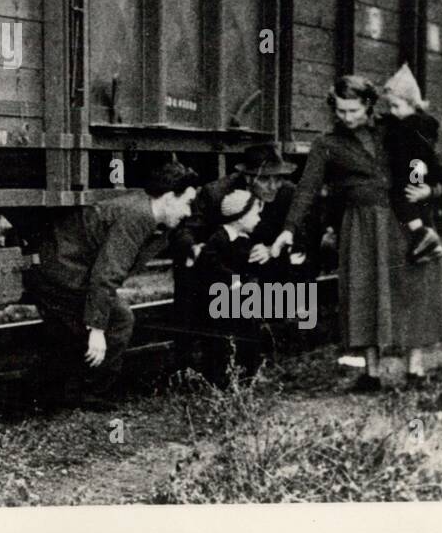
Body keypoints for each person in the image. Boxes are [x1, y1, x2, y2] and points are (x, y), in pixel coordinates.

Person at [271, 74, 442, 392]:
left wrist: (428, 187)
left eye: (353, 110)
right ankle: (372, 374)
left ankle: (415, 370)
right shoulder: (327, 143)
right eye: (340, 111)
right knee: (365, 294)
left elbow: (421, 156)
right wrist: (288, 230)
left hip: (402, 220)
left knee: (413, 287)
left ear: (369, 105)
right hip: (360, 227)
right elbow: (307, 189)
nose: (346, 117)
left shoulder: (393, 127)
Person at [29, 161, 199, 408]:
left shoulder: (149, 210)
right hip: (62, 271)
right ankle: (88, 393)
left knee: (78, 330)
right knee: (118, 319)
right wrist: (97, 329)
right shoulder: (138, 216)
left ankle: (63, 389)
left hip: (68, 268)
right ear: (170, 197)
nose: (188, 212)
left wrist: (191, 248)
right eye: (187, 203)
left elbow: (174, 234)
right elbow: (107, 274)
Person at [187, 189, 269, 379]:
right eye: (255, 214)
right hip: (219, 301)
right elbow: (210, 266)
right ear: (240, 217)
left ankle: (248, 373)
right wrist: (234, 280)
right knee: (220, 342)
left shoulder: (245, 241)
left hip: (241, 300)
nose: (258, 219)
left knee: (249, 334)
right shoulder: (219, 239)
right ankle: (219, 378)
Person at [190, 142, 303, 279]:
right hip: (228, 273)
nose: (273, 186)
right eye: (265, 179)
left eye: (278, 179)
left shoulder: (290, 193)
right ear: (248, 177)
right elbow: (191, 232)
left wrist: (272, 249)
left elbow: (304, 236)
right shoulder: (216, 194)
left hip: (271, 274)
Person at [379, 63, 442, 262]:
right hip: (419, 169)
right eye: (390, 106)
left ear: (412, 103)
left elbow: (415, 155)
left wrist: (415, 177)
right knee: (416, 199)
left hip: (413, 168)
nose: (393, 111)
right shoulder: (424, 124)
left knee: (402, 196)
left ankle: (421, 234)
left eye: (396, 106)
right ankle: (427, 236)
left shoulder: (408, 126)